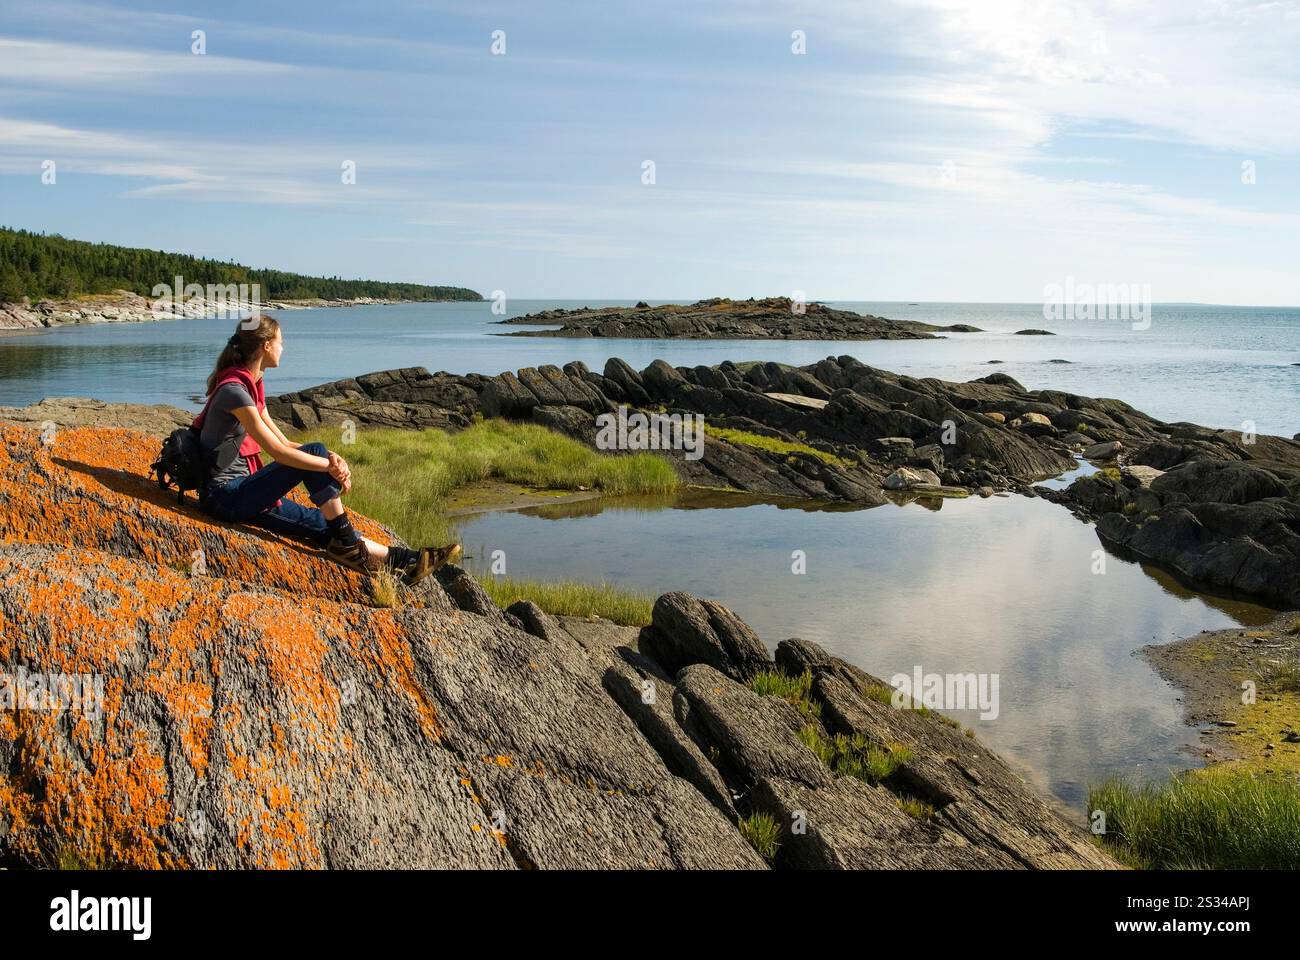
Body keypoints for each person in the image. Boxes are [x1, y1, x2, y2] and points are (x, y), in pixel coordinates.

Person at [193, 314, 459, 582]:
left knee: (325, 523)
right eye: (281, 342)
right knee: (316, 452)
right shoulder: (235, 391)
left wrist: (334, 458)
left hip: (241, 491)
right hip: (224, 496)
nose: (283, 348)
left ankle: (407, 562)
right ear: (265, 346)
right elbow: (277, 452)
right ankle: (348, 544)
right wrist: (328, 466)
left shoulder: (250, 389)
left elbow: (285, 442)